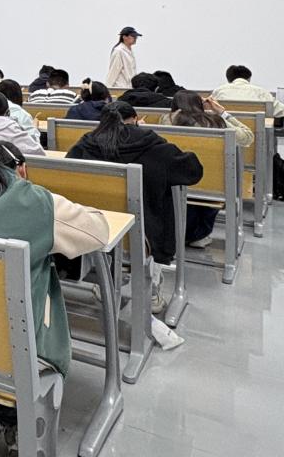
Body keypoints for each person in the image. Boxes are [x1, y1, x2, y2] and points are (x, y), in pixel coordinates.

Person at [0, 141, 108, 456]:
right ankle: (13, 424)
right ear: (22, 170)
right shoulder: (37, 202)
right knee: (10, 329)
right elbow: (98, 232)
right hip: (15, 344)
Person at [66, 102, 203, 310]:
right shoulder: (155, 147)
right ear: (136, 119)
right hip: (143, 236)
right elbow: (193, 171)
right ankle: (152, 290)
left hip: (94, 228)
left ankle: (108, 281)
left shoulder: (85, 144)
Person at [162, 91, 253, 248]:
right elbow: (247, 137)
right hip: (211, 186)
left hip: (176, 183)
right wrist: (222, 112)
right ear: (200, 104)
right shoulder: (215, 122)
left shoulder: (166, 120)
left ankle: (183, 232)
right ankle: (199, 235)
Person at [211, 65, 284, 118]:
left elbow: (208, 109)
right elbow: (281, 110)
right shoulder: (260, 92)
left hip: (226, 131)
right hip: (255, 132)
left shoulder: (218, 91)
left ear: (228, 80)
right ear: (249, 78)